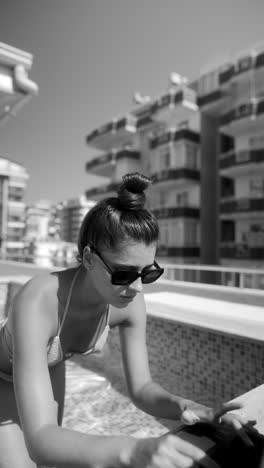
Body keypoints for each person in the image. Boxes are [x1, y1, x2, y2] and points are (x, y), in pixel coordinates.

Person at [0, 172, 254, 468]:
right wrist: (135, 451)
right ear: (89, 257)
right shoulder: (39, 299)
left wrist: (190, 406)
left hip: (49, 366)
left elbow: (143, 389)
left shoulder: (131, 301)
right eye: (123, 273)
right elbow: (41, 440)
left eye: (148, 273)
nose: (137, 287)